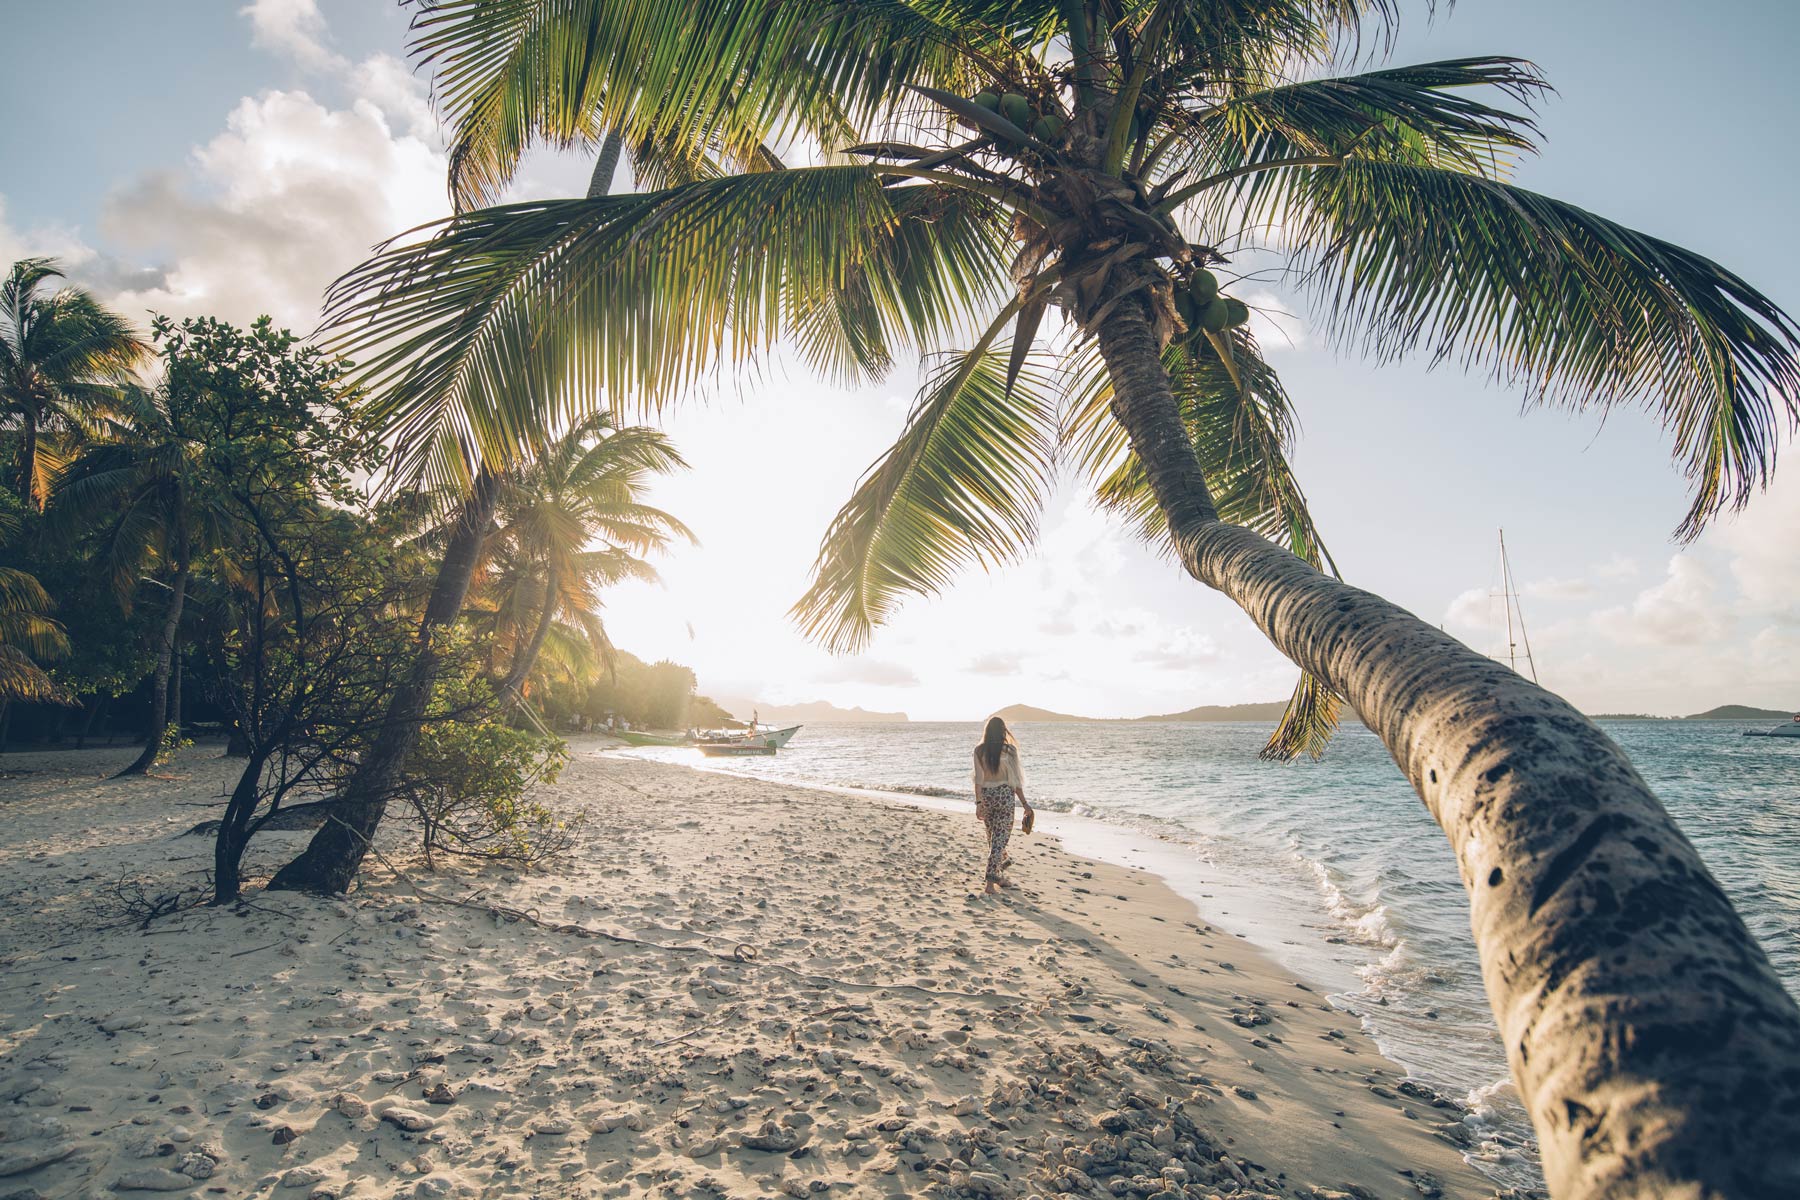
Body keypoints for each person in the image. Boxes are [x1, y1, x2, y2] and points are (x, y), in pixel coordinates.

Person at [971, 715, 1033, 894]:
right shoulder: (1010, 750)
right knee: (998, 842)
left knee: (994, 840)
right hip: (1005, 797)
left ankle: (1000, 874)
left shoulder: (979, 750)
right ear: (1003, 731)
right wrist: (1025, 804)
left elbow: (979, 780)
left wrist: (978, 802)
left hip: (987, 797)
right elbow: (1015, 781)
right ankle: (990, 883)